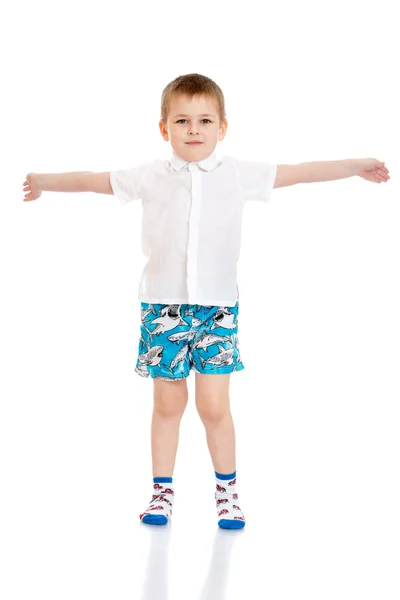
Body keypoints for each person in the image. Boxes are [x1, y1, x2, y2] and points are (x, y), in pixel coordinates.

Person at [23, 73, 390, 530]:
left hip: (217, 310)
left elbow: (299, 173)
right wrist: (40, 180)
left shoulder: (236, 173)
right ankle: (161, 493)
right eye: (182, 120)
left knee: (214, 406)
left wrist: (355, 165)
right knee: (168, 404)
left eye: (204, 120)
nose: (193, 129)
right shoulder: (151, 175)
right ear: (164, 129)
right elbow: (93, 180)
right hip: (162, 309)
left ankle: (228, 492)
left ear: (222, 127)